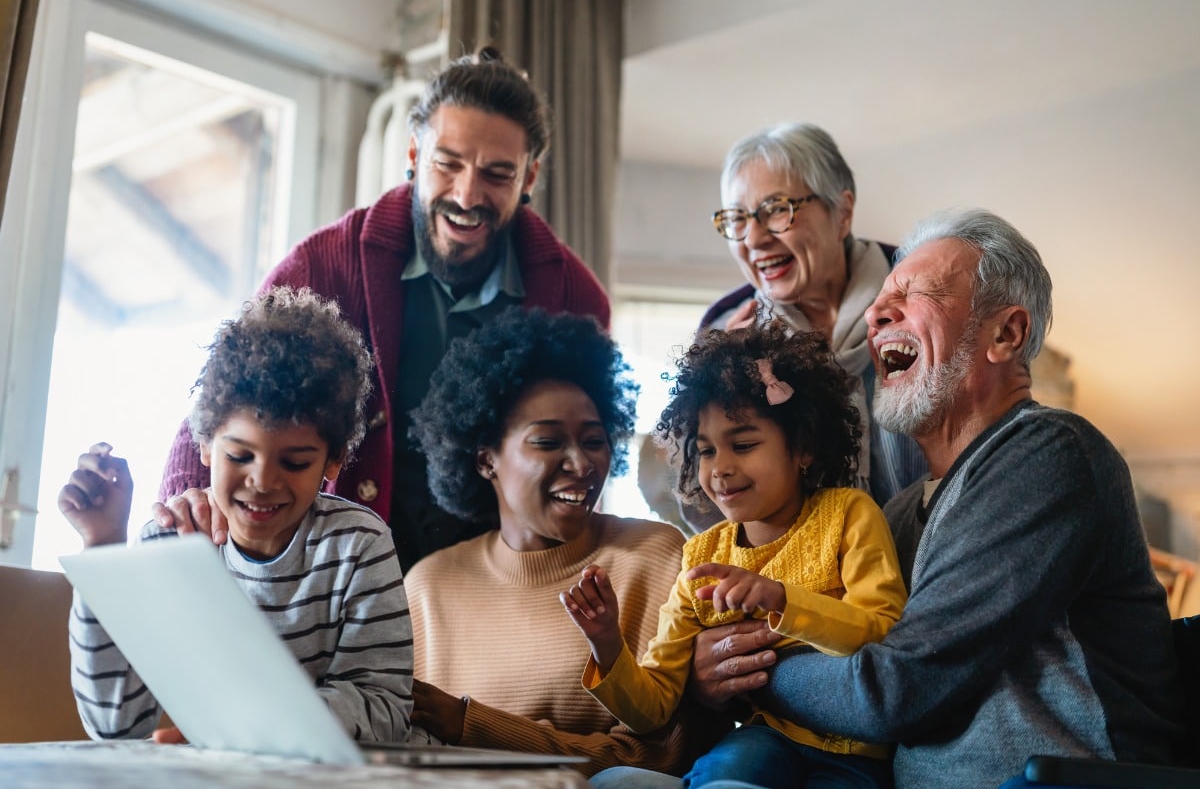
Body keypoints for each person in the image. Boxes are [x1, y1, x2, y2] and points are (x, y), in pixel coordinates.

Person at [684, 208, 1186, 789]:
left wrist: (742, 668)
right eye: (880, 300)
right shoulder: (892, 516)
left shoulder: (1050, 454)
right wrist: (702, 673)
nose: (876, 313)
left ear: (1007, 334)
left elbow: (893, 691)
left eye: (915, 293)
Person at [154, 46, 609, 572]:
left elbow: (582, 462)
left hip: (492, 583)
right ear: (414, 155)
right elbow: (234, 390)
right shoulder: (324, 265)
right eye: (448, 163)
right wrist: (187, 501)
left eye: (497, 174)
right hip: (332, 574)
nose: (466, 194)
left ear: (529, 179)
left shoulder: (577, 301)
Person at [563, 322, 907, 789]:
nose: (720, 469)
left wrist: (781, 601)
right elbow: (653, 709)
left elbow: (882, 631)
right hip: (764, 739)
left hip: (859, 753)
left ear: (803, 446)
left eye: (743, 445)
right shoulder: (700, 557)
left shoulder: (849, 514)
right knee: (638, 781)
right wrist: (606, 644)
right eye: (705, 451)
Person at [62, 287, 413, 744]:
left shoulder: (359, 545)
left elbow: (384, 709)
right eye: (240, 455)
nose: (263, 481)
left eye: (295, 462)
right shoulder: (166, 548)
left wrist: (248, 732)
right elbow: (115, 725)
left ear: (334, 461)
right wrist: (103, 548)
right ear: (205, 445)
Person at [403, 307, 729, 778]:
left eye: (594, 440)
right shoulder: (428, 588)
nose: (581, 463)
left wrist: (472, 725)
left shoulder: (654, 559)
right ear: (485, 460)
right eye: (548, 442)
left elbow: (657, 759)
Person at [700, 122, 925, 515]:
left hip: (927, 556)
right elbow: (702, 496)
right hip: (788, 571)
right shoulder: (724, 333)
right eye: (737, 219)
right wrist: (724, 387)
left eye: (776, 210)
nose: (753, 239)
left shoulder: (924, 301)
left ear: (842, 213)